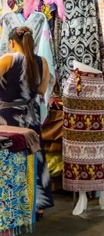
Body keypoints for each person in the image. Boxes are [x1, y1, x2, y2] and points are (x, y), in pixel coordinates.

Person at [0, 26, 54, 218]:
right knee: (35, 156)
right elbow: (41, 90)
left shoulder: (8, 59)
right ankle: (37, 205)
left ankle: (13, 204)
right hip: (31, 115)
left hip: (8, 117)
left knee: (11, 157)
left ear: (13, 42)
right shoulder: (42, 61)